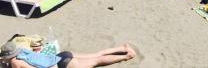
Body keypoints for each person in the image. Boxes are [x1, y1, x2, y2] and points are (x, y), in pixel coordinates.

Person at [0, 41, 136, 68]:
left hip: (62, 65)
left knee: (97, 61)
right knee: (96, 54)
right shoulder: (22, 51)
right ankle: (122, 47)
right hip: (60, 56)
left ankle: (126, 56)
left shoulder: (16, 63)